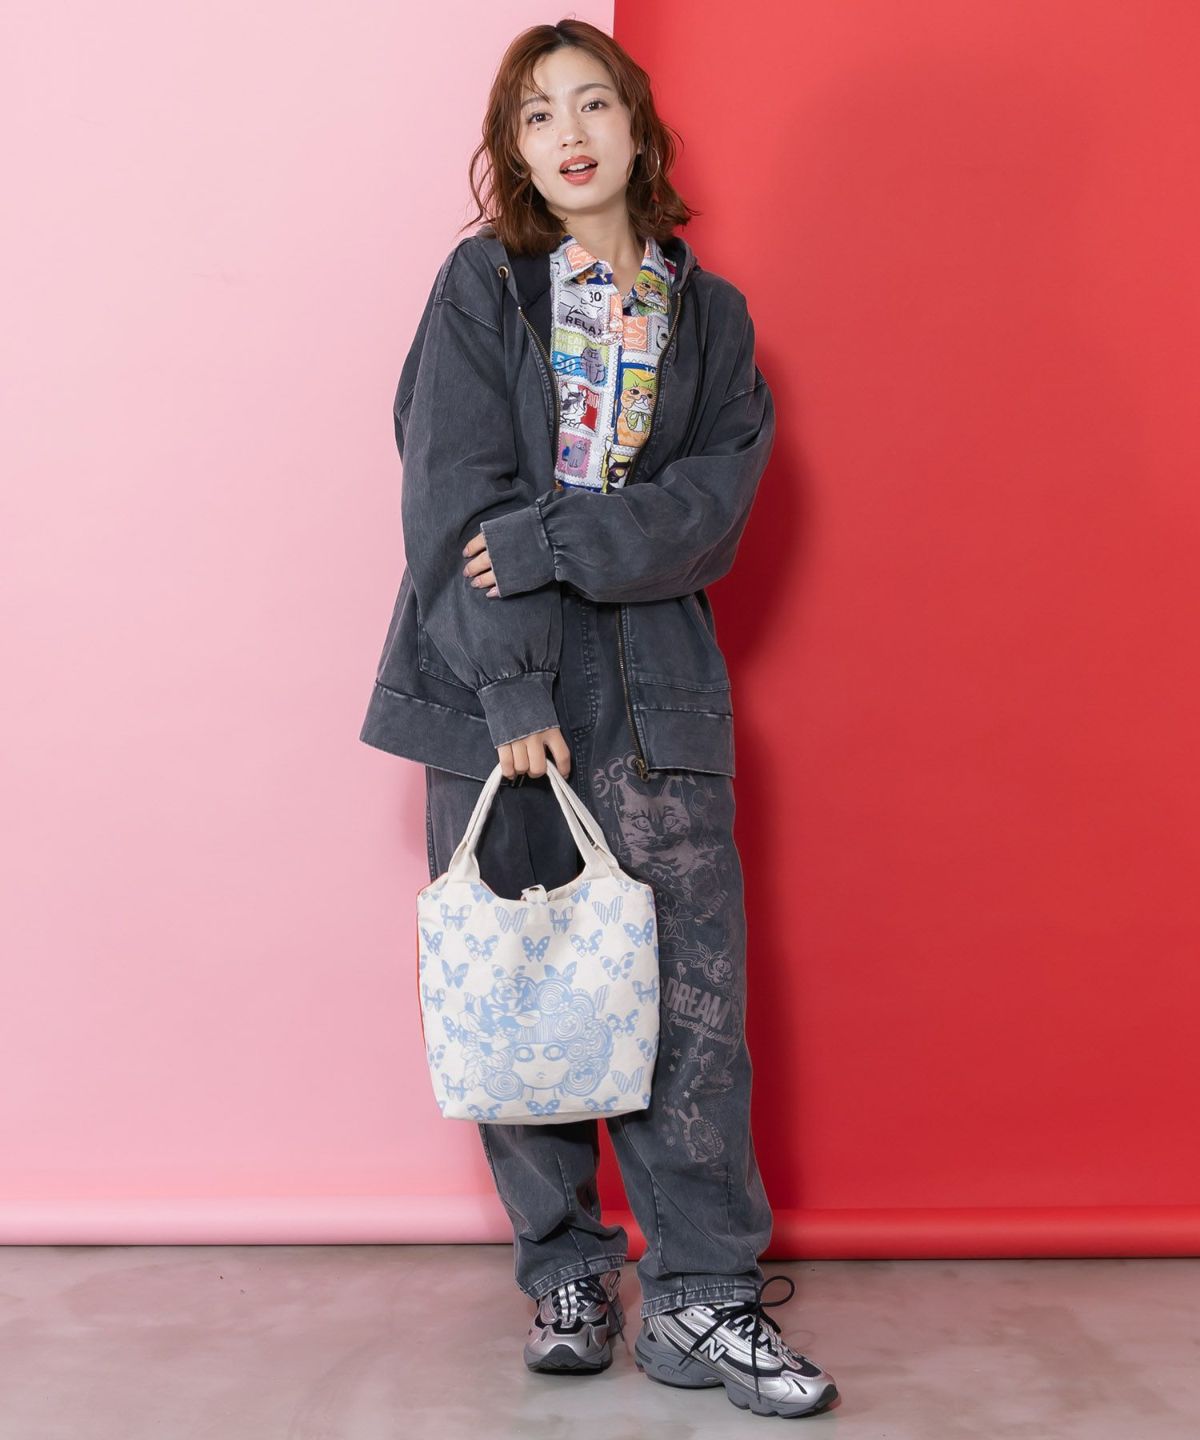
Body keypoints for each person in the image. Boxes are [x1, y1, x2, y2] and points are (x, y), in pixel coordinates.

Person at [360, 17, 839, 1420]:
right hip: (505, 696)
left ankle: (703, 1301)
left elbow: (710, 516)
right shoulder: (483, 288)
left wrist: (556, 538)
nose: (568, 134)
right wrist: (510, 684)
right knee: (525, 986)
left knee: (692, 1008)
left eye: (592, 104)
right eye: (535, 115)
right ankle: (565, 1271)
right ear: (512, 152)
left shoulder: (716, 317)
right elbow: (449, 493)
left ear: (638, 128)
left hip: (662, 688)